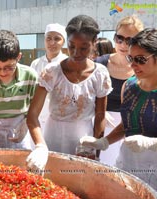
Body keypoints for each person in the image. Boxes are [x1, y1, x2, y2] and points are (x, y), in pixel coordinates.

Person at [80, 28, 157, 199]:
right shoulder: (129, 86)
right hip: (129, 163)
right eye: (130, 58)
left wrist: (156, 144)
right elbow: (128, 123)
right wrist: (104, 141)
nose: (133, 65)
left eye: (141, 59)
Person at [26, 14, 112, 165]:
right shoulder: (53, 71)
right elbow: (32, 115)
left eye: (84, 48)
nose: (76, 53)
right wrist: (40, 146)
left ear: (94, 43)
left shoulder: (100, 74)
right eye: (72, 46)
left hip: (84, 139)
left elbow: (100, 116)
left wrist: (97, 148)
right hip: (53, 135)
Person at [94, 15, 144, 166]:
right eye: (119, 38)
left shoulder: (144, 67)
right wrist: (98, 111)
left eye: (130, 40)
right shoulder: (99, 63)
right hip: (101, 126)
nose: (123, 44)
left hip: (131, 131)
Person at [30, 23, 68, 145]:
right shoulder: (35, 64)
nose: (52, 43)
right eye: (49, 38)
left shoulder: (67, 63)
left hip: (58, 118)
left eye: (57, 39)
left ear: (63, 42)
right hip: (37, 117)